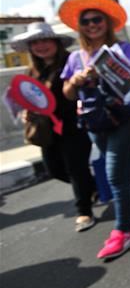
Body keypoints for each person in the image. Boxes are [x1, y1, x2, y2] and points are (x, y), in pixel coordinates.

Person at [58, 0, 130, 260]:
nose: (91, 25)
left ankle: (123, 232)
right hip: (93, 121)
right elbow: (66, 94)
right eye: (85, 21)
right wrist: (75, 81)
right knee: (129, 165)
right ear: (80, 26)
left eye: (97, 19)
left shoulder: (124, 50)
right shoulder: (76, 57)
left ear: (107, 22)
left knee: (115, 174)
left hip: (125, 117)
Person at [12, 22, 97, 232]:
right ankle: (93, 187)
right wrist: (26, 113)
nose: (41, 46)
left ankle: (84, 211)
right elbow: (29, 99)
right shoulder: (32, 72)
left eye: (45, 40)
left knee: (76, 169)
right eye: (35, 42)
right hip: (48, 131)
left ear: (55, 42)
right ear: (30, 48)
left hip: (74, 126)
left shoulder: (72, 61)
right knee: (55, 170)